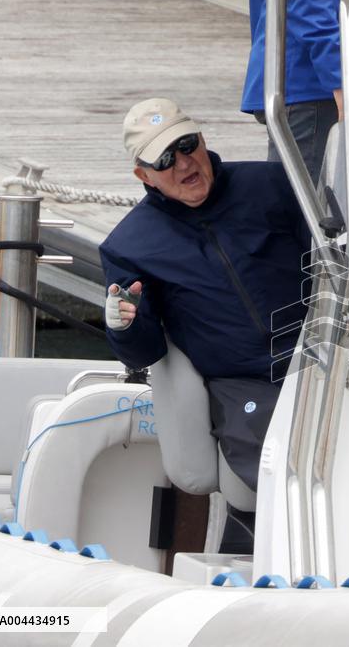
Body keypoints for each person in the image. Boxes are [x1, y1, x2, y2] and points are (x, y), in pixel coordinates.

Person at [100, 98, 311, 551]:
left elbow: (337, 257)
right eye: (164, 159)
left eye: (186, 144)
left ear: (203, 138)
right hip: (243, 383)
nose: (183, 163)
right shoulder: (128, 247)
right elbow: (143, 354)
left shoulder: (274, 183)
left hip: (322, 360)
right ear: (143, 175)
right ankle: (273, 556)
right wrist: (123, 327)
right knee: (279, 462)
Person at [241, 0, 349, 183]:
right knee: (299, 208)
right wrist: (343, 74)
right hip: (315, 85)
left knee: (341, 206)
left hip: (337, 80)